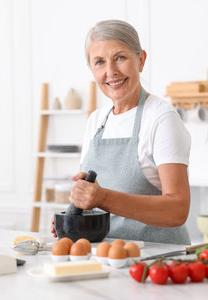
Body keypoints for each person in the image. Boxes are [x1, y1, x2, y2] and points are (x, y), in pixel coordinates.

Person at [51, 19, 191, 244]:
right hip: (105, 259)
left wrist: (103, 197)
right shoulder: (96, 121)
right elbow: (88, 193)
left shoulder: (161, 118)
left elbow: (178, 210)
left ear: (141, 60)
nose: (111, 72)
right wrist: (74, 215)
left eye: (120, 58)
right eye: (99, 62)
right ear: (91, 69)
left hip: (156, 259)